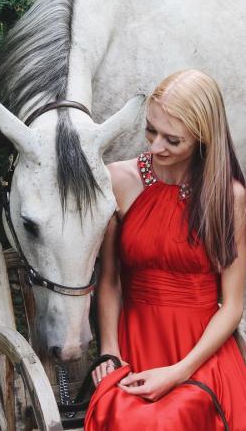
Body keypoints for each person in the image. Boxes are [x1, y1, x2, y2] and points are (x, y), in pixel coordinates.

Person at [84, 69, 246, 430]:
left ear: (203, 139)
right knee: (132, 416)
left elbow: (232, 305)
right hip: (134, 340)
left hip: (202, 351)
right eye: (150, 130)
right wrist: (109, 351)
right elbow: (109, 280)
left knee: (182, 413)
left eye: (172, 140)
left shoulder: (229, 198)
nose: (156, 147)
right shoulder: (119, 180)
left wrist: (178, 371)